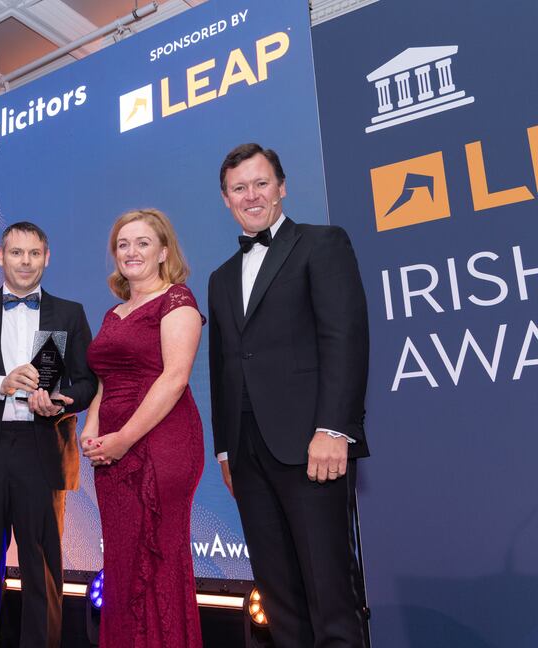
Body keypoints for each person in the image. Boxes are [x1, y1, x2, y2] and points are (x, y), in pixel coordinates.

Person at [208, 143, 370, 647]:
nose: (251, 196)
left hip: (312, 446)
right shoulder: (219, 278)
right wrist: (225, 449)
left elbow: (345, 339)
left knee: (331, 596)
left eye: (261, 184)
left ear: (282, 187)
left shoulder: (323, 244)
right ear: (225, 199)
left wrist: (334, 428)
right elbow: (223, 366)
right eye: (239, 188)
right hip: (249, 454)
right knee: (280, 604)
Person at [0, 221, 97, 648]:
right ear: (0, 257)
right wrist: (0, 384)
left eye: (34, 253)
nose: (25, 262)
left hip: (42, 452)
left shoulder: (70, 312)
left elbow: (88, 383)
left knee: (42, 571)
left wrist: (60, 399)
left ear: (47, 257)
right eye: (16, 253)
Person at [82, 208, 205, 648]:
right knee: (122, 561)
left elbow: (174, 378)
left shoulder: (178, 299)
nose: (131, 252)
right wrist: (92, 428)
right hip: (113, 451)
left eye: (142, 243)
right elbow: (104, 383)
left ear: (163, 252)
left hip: (161, 445)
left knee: (157, 557)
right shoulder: (114, 313)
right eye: (123, 244)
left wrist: (123, 439)